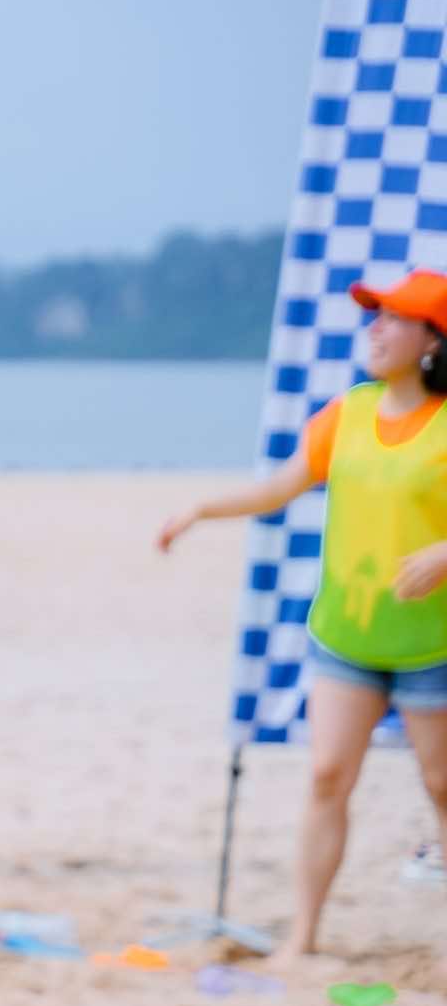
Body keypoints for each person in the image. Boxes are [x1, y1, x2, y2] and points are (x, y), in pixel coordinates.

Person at [159, 269, 447, 955]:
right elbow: (278, 489)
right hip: (346, 636)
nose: (376, 329)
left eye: (394, 318)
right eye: (374, 316)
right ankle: (304, 938)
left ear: (433, 340)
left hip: (431, 643)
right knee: (326, 777)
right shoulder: (349, 412)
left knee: (440, 786)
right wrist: (199, 509)